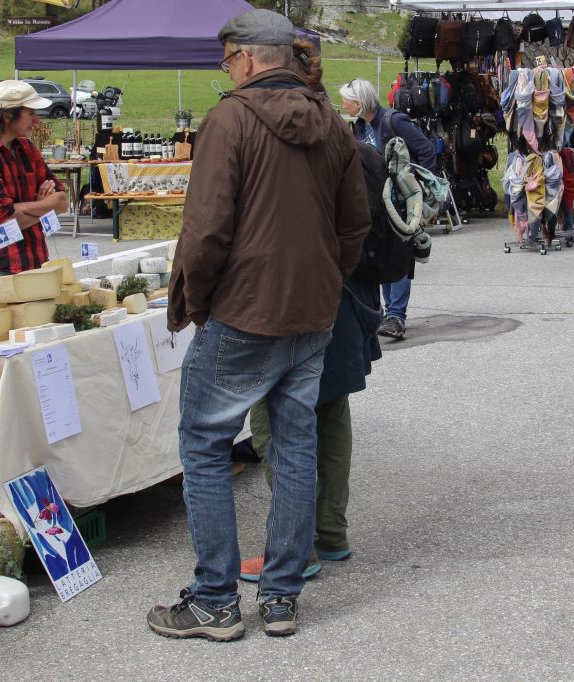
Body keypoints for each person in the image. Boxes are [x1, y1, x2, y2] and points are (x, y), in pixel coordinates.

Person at [147, 9, 370, 641]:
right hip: (310, 312)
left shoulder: (230, 119)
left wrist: (196, 302)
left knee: (205, 445)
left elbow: (205, 229)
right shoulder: (331, 123)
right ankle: (280, 598)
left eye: (226, 61)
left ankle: (216, 600)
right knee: (295, 447)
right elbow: (354, 225)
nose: (227, 71)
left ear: (246, 58)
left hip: (246, 310)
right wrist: (324, 280)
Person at [239, 38, 383, 582]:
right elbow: (355, 225)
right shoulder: (343, 137)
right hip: (341, 296)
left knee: (274, 424)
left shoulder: (271, 135)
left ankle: (296, 548)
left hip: (285, 302)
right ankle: (329, 535)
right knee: (330, 413)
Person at [340, 78, 434, 339]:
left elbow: (426, 150)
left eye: (347, 100)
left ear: (360, 102)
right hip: (375, 205)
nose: (344, 105)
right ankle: (387, 314)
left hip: (400, 204)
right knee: (382, 255)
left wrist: (418, 189)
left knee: (400, 255)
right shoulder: (360, 128)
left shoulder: (393, 121)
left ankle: (396, 315)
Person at [0, 80, 67, 280]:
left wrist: (20, 208)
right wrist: (43, 208)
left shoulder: (27, 148)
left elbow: (62, 202)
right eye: (31, 113)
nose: (36, 121)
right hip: (1, 267)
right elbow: (6, 219)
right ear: (8, 116)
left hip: (37, 261)